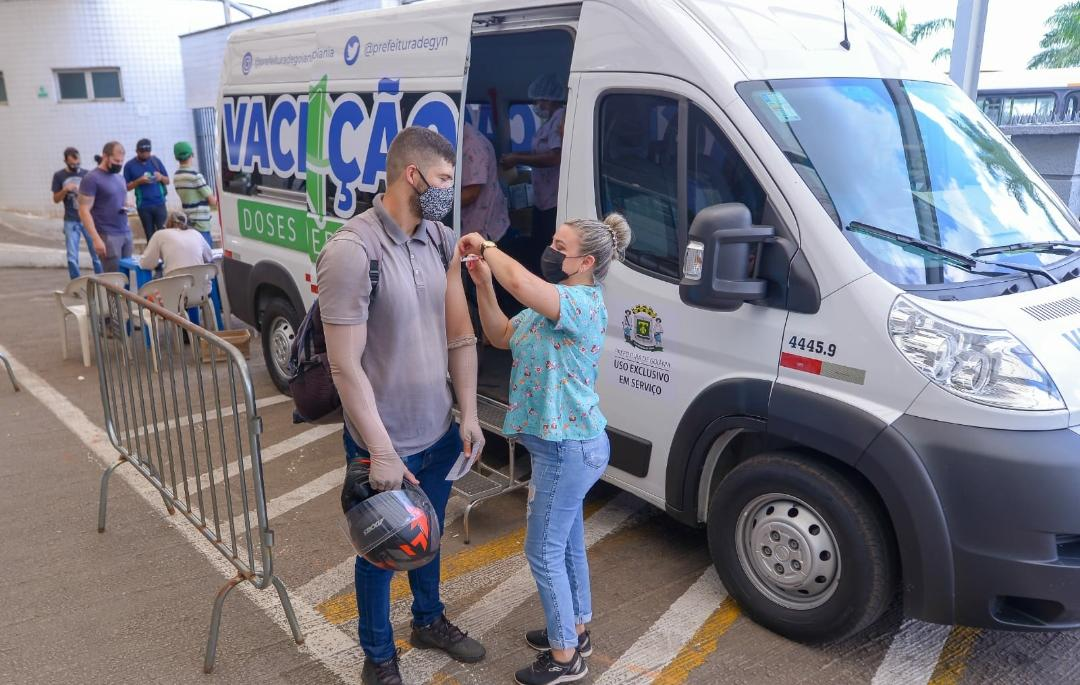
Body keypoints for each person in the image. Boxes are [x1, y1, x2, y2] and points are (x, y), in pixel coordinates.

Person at [315, 126, 487, 685]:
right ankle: (378, 656)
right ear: (412, 176)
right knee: (379, 553)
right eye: (443, 179)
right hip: (384, 444)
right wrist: (381, 451)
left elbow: (460, 335)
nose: (450, 191)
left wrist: (469, 414)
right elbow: (345, 366)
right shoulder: (351, 252)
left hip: (437, 431)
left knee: (427, 536)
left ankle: (429, 621)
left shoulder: (439, 239)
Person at [459, 213, 632, 685]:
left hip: (567, 450)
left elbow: (518, 280)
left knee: (542, 551)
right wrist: (483, 284)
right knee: (566, 542)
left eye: (560, 247)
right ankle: (575, 630)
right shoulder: (550, 305)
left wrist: (486, 247)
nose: (551, 253)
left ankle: (564, 658)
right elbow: (500, 335)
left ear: (586, 263)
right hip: (565, 448)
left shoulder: (580, 303)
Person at [500, 73, 567, 273]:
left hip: (554, 200)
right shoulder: (550, 121)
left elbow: (555, 157)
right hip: (543, 198)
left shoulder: (560, 120)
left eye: (539, 100)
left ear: (550, 99)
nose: (537, 105)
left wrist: (518, 159)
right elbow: (540, 152)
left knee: (547, 249)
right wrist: (515, 155)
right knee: (537, 244)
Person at [79, 141, 133, 273]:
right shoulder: (91, 178)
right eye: (116, 160)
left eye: (121, 161)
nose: (119, 164)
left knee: (127, 276)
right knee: (114, 277)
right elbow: (83, 210)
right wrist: (96, 238)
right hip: (107, 234)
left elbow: (119, 200)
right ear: (105, 156)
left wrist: (128, 205)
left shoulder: (120, 178)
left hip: (125, 231)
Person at [51, 147, 102, 279]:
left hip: (87, 218)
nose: (76, 166)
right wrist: (65, 190)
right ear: (65, 161)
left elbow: (96, 197)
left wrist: (83, 192)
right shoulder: (59, 176)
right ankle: (75, 282)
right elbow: (56, 199)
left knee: (96, 252)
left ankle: (103, 279)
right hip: (70, 220)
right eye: (72, 164)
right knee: (72, 255)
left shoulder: (87, 174)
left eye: (78, 163)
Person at [461, 122, 510, 242]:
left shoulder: (473, 146)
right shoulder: (460, 140)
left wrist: (439, 204)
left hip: (484, 231)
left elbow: (471, 193)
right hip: (471, 228)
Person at [172, 141, 218, 246]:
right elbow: (212, 201)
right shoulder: (195, 176)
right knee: (206, 253)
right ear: (192, 155)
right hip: (201, 223)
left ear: (176, 157)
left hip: (188, 221)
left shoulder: (176, 176)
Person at [123, 138, 170, 243]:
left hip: (160, 204)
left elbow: (167, 181)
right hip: (143, 206)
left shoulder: (155, 161)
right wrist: (138, 181)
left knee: (164, 235)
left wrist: (161, 177)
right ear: (137, 151)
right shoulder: (129, 166)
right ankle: (153, 254)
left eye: (147, 152)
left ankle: (164, 253)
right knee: (150, 236)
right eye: (142, 152)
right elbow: (126, 187)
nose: (145, 155)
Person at [139, 211, 213, 275]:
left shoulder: (160, 234)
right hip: (200, 284)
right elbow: (209, 258)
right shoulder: (196, 234)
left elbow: (146, 264)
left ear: (167, 223)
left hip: (174, 284)